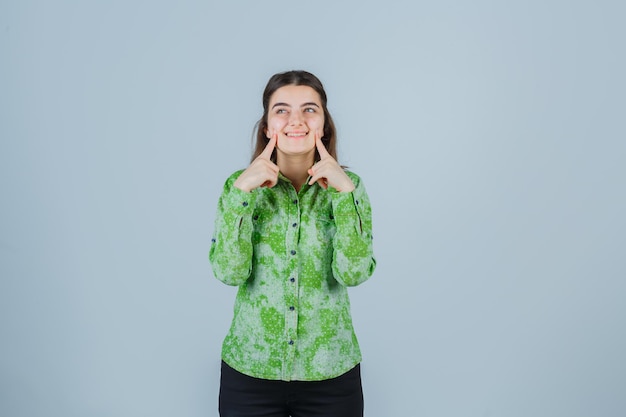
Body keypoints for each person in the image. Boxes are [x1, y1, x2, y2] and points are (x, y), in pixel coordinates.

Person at [209, 70, 376, 417]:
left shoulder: (350, 187)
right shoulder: (238, 187)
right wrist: (242, 194)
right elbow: (228, 271)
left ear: (324, 125)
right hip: (250, 373)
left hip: (331, 375)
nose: (295, 120)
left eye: (309, 110)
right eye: (282, 110)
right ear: (268, 127)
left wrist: (345, 196)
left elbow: (354, 273)